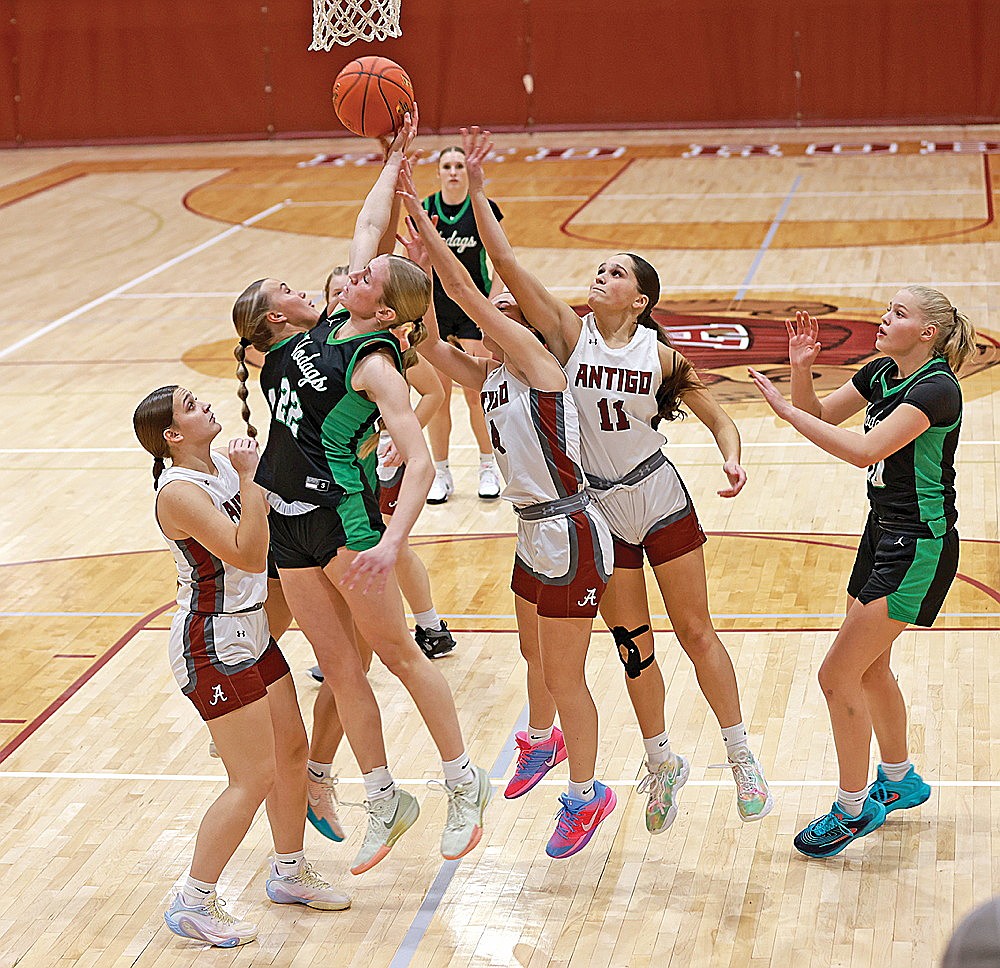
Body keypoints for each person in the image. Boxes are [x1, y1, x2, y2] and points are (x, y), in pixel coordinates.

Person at [460, 127, 773, 834]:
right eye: (598, 270)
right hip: (597, 512)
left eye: (615, 273)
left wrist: (731, 456)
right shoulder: (571, 336)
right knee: (635, 647)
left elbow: (718, 417)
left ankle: (739, 751)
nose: (599, 277)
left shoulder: (662, 357)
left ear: (639, 298)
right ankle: (661, 760)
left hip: (656, 493)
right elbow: (505, 262)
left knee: (696, 629)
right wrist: (479, 192)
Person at [231, 114, 491, 875]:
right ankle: (384, 798)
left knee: (401, 655)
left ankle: (462, 781)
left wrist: (391, 540)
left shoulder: (375, 359)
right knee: (341, 670)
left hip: (345, 522)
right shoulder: (333, 320)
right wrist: (395, 154)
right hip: (289, 524)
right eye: (354, 271)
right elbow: (369, 218)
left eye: (365, 275)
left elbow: (415, 460)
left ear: (384, 306)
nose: (352, 272)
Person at [397, 161, 617, 857]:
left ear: (522, 326)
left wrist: (424, 225)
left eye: (506, 310)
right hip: (530, 530)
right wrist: (416, 275)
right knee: (532, 656)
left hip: (573, 525)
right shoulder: (491, 374)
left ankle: (587, 796)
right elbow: (430, 343)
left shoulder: (541, 368)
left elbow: (469, 288)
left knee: (564, 672)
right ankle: (540, 741)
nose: (494, 312)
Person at [750, 290, 975, 857]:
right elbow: (824, 414)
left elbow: (862, 450)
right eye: (888, 309)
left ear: (928, 333)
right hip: (882, 534)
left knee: (836, 676)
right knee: (870, 670)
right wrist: (802, 374)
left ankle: (853, 809)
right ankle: (899, 779)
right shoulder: (881, 373)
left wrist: (788, 412)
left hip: (918, 547)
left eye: (899, 314)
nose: (885, 318)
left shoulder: (935, 389)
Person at [133, 386, 349, 949]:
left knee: (293, 754)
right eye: (188, 404)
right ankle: (192, 898)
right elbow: (249, 554)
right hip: (211, 641)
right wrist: (254, 482)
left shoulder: (225, 464)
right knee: (252, 776)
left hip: (250, 629)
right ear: (172, 436)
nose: (202, 402)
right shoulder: (179, 492)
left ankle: (289, 871)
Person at [422, 145, 504, 503]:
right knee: (438, 396)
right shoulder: (425, 210)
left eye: (459, 165)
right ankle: (441, 472)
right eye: (447, 166)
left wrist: (492, 304)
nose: (454, 171)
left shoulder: (482, 208)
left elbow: (501, 260)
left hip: (473, 308)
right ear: (438, 172)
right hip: (436, 310)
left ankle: (488, 467)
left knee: (478, 396)